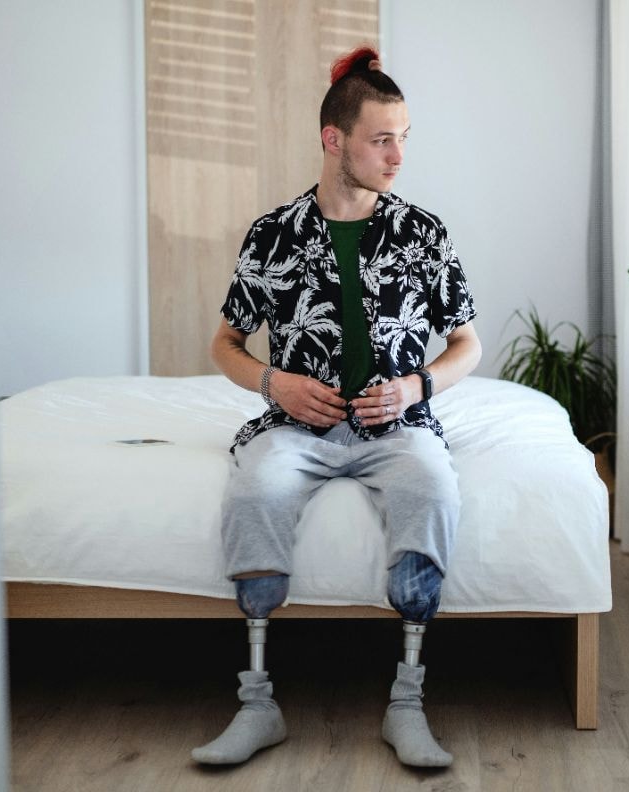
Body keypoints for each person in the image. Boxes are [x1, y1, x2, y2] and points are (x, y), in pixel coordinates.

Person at [190, 46, 482, 769]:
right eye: (383, 139)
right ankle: (257, 705)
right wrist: (273, 384)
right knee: (254, 488)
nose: (397, 155)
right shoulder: (272, 234)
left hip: (400, 427)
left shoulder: (423, 233)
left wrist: (416, 387)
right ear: (334, 140)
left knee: (434, 489)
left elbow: (468, 344)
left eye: (405, 137)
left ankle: (407, 701)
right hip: (296, 427)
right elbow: (224, 344)